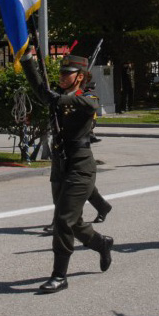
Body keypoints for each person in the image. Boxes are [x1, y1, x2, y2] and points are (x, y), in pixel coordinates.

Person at [22, 51, 114, 293]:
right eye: (61, 73)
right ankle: (101, 243)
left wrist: (60, 99)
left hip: (81, 167)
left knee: (63, 220)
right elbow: (40, 89)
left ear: (80, 77)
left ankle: (59, 275)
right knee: (73, 222)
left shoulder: (87, 96)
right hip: (60, 166)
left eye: (67, 73)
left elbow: (90, 104)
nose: (62, 77)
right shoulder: (58, 95)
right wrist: (27, 62)